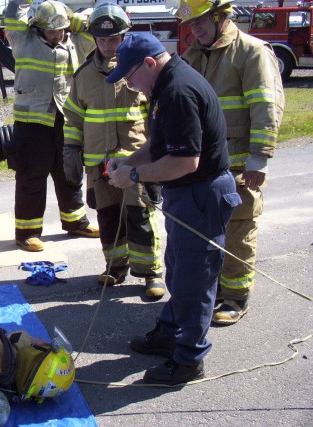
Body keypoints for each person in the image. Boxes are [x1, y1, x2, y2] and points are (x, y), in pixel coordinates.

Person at [105, 33, 241, 385]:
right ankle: (170, 333)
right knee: (179, 270)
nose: (130, 84)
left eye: (130, 75)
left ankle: (188, 360)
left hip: (201, 194)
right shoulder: (166, 85)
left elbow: (184, 161)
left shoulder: (178, 91)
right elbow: (161, 144)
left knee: (194, 280)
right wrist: (129, 160)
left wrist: (132, 175)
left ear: (149, 63)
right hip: (189, 195)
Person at [176, 0, 285, 325]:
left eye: (202, 21)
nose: (195, 29)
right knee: (207, 234)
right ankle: (215, 292)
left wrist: (258, 158)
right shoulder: (193, 55)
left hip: (239, 167)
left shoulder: (251, 51)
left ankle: (236, 297)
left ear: (222, 16)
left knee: (238, 230)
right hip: (202, 168)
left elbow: (267, 107)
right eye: (192, 24)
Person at [62, 3, 165, 300]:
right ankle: (116, 265)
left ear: (125, 36)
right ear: (94, 38)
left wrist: (157, 153)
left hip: (137, 161)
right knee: (107, 218)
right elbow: (72, 118)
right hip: (98, 164)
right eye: (102, 39)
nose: (108, 45)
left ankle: (150, 273)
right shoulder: (82, 76)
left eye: (115, 38)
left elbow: (157, 115)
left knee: (140, 216)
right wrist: (70, 150)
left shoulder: (140, 68)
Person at [4, 0, 99, 252]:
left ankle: (75, 221)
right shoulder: (23, 40)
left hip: (66, 120)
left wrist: (69, 15)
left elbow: (94, 28)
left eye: (62, 29)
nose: (58, 35)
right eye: (52, 30)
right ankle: (27, 232)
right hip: (32, 123)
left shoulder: (76, 42)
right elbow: (14, 15)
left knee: (70, 172)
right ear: (38, 28)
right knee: (31, 177)